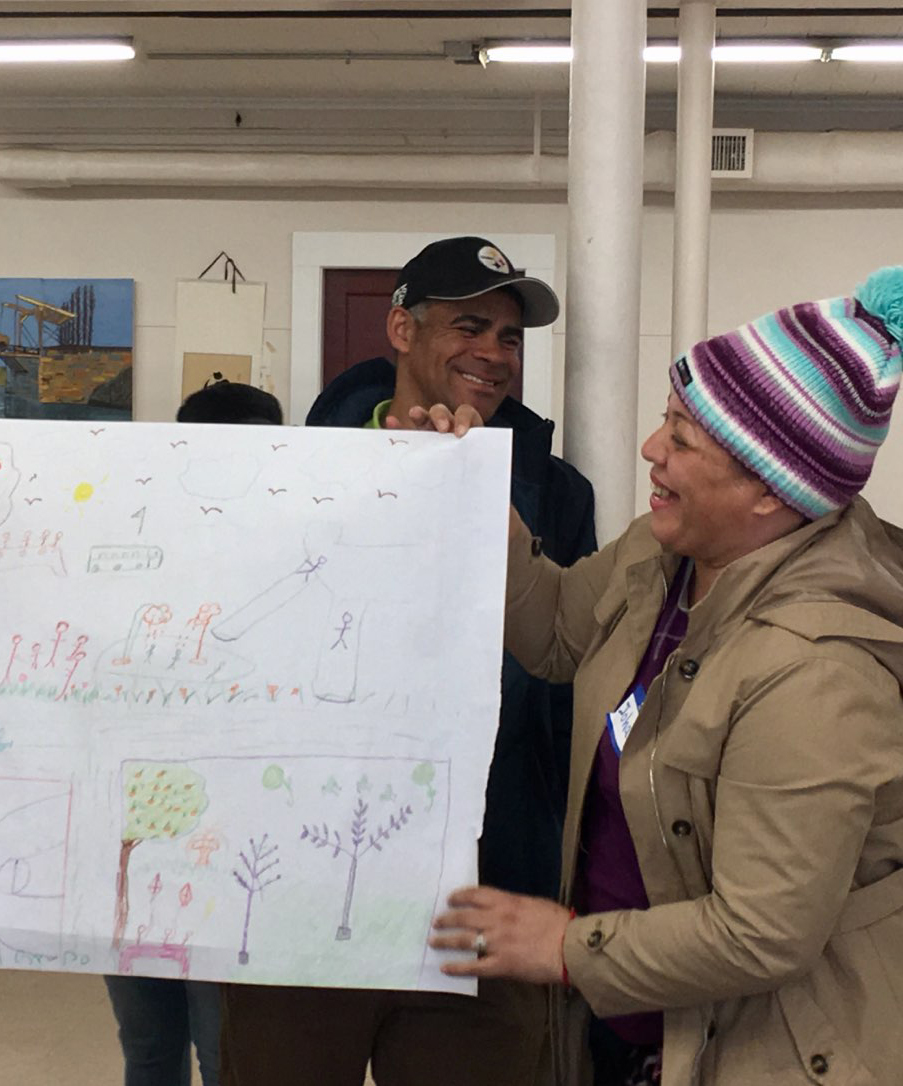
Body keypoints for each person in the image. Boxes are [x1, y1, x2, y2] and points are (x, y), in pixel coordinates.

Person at [429, 267, 903, 1085]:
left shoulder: (815, 673)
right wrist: (483, 513)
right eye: (666, 421)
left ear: (768, 489)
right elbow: (553, 634)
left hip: (761, 1048)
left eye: (683, 438)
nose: (652, 449)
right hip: (626, 1014)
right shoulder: (665, 553)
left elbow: (763, 932)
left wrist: (560, 944)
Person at [219, 237, 596, 1085]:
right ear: (399, 327)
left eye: (510, 337)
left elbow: (566, 676)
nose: (494, 354)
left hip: (480, 898)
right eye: (471, 326)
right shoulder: (282, 475)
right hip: (299, 898)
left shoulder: (558, 495)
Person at [102, 379, 283, 1086]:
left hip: (226, 838)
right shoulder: (137, 548)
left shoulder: (278, 559)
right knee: (153, 1045)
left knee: (222, 1048)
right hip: (132, 828)